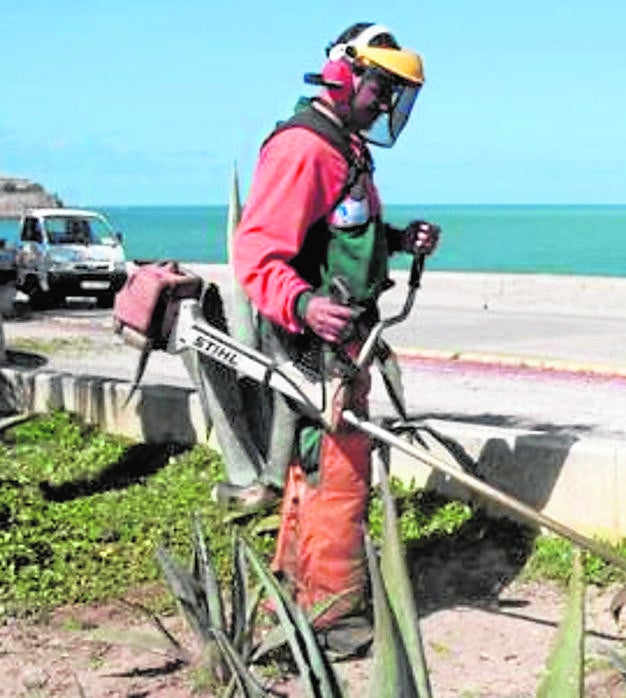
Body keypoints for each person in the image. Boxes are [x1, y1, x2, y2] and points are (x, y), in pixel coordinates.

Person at [230, 21, 439, 655]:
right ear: (345, 73)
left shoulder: (345, 147)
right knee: (340, 471)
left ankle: (293, 594)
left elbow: (340, 233)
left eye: (396, 95)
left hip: (346, 338)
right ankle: (332, 620)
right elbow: (257, 254)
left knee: (315, 468)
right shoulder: (305, 149)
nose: (385, 104)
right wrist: (302, 304)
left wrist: (400, 240)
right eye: (382, 87)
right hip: (316, 341)